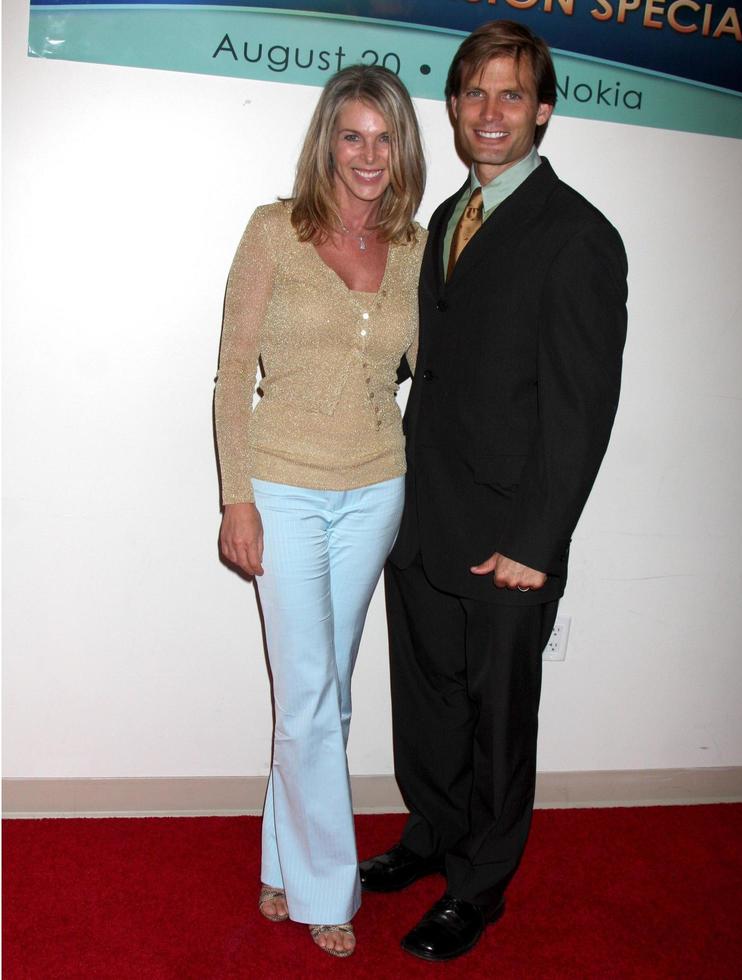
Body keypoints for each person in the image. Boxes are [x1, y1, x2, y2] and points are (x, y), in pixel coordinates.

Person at [359, 20, 628, 962]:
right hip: (424, 520)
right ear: (456, 105)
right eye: (475, 92)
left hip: (509, 540)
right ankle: (432, 836)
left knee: (499, 722)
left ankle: (480, 886)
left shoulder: (580, 237)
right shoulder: (444, 219)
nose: (490, 111)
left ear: (543, 111)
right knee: (427, 703)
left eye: (511, 94)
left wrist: (539, 544)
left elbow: (581, 407)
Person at [214, 64, 426, 958]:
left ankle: (280, 861)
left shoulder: (418, 244)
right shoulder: (275, 231)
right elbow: (231, 373)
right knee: (307, 695)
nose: (368, 154)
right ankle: (327, 891)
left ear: (402, 146)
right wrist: (237, 498)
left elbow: (419, 364)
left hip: (377, 485)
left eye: (384, 137)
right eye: (352, 135)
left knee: (323, 698)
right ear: (326, 141)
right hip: (286, 487)